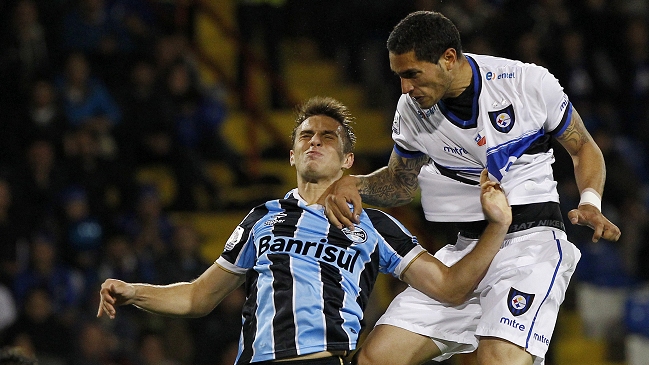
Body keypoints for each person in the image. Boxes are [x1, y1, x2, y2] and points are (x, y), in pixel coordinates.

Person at [97, 96, 512, 364]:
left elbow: (451, 288)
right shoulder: (263, 218)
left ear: (349, 159)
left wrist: (499, 225)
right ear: (292, 153)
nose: (314, 142)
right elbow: (197, 296)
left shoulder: (376, 224)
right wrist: (134, 292)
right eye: (305, 136)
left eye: (327, 137)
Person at [321, 11, 622, 365]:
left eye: (412, 75)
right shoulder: (411, 110)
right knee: (376, 357)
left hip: (531, 245)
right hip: (467, 252)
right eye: (399, 77)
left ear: (449, 58)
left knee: (497, 359)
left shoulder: (526, 83)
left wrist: (591, 200)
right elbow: (400, 183)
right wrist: (355, 184)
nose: (405, 88)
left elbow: (583, 145)